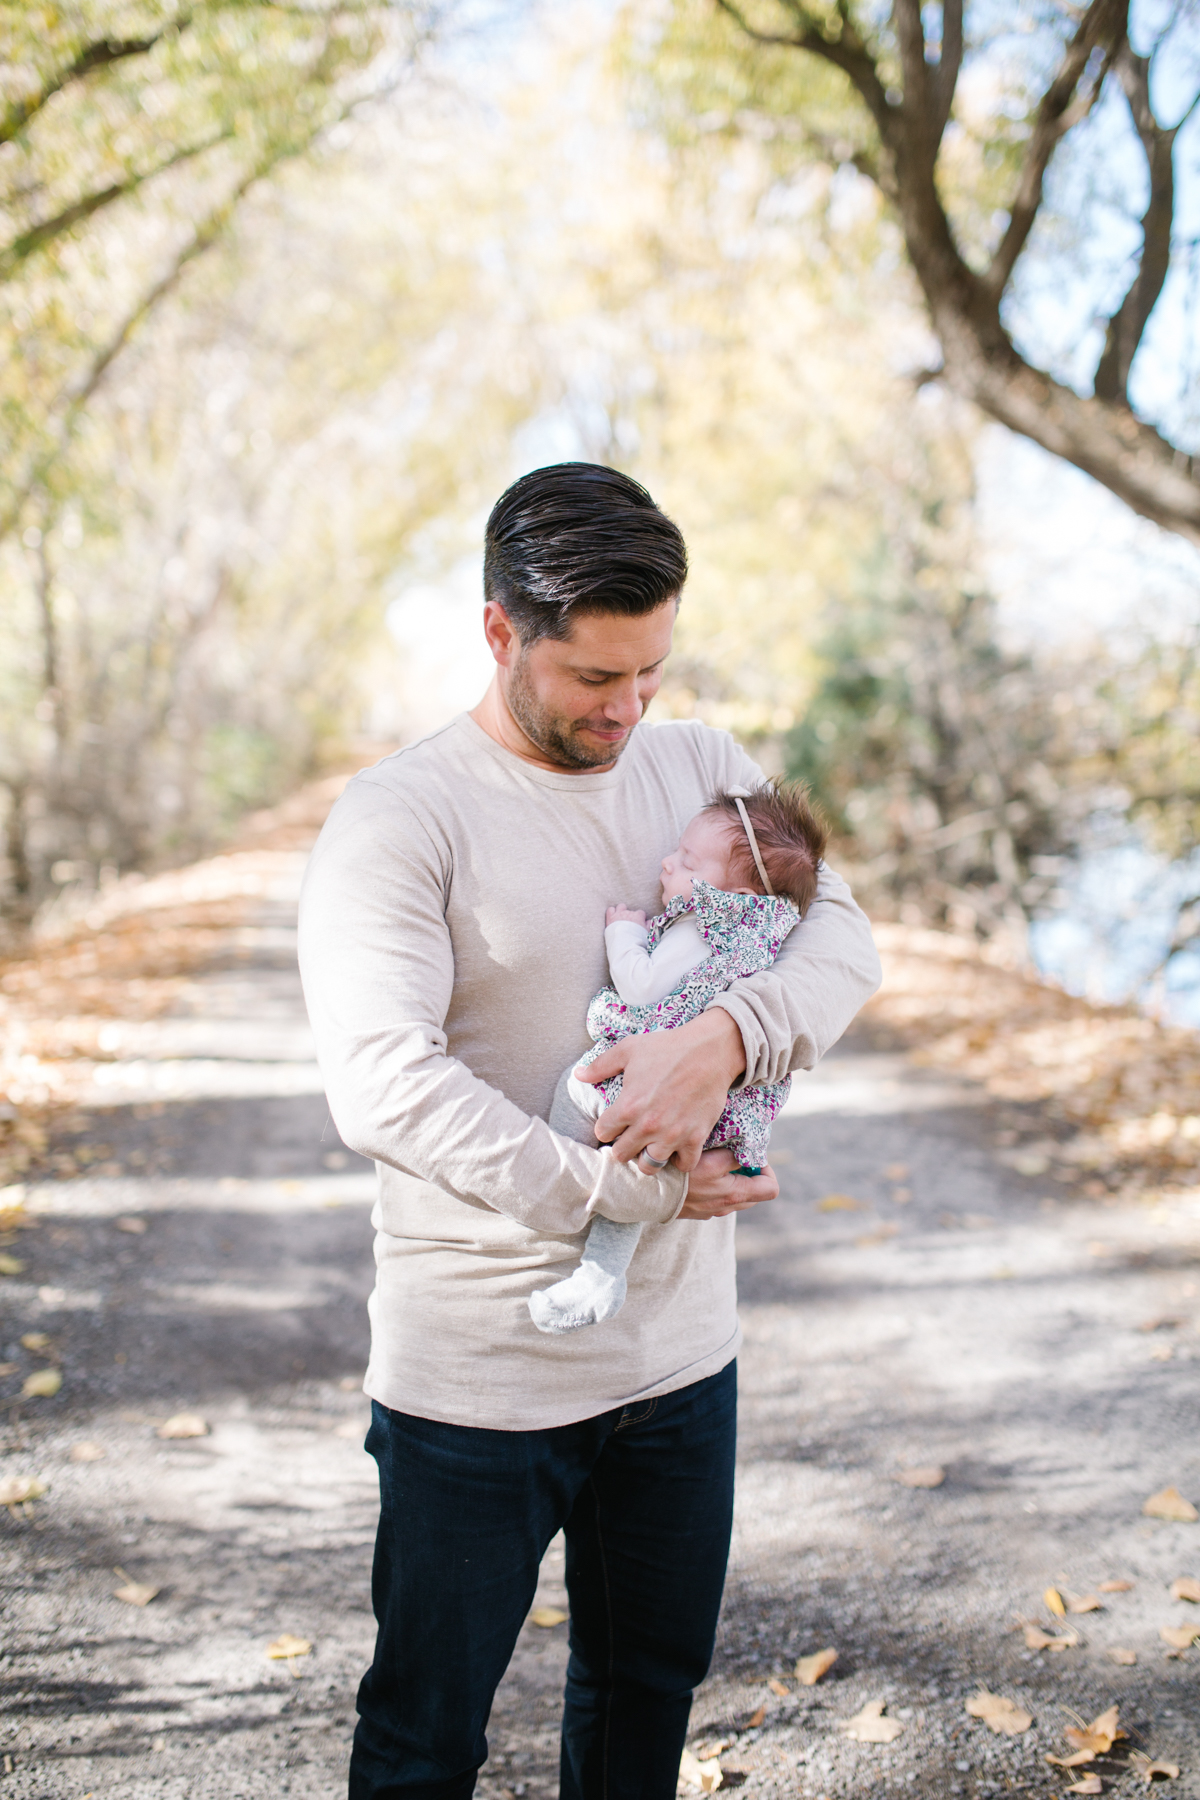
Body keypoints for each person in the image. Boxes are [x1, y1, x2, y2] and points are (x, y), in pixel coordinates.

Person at [297, 462, 882, 1800]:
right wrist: (620, 1194)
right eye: (594, 680)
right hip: (477, 1384)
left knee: (643, 1704)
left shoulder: (702, 766)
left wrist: (723, 1040)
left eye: (653, 673)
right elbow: (383, 1080)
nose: (630, 711)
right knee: (424, 1737)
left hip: (682, 1367)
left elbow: (845, 942)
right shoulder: (400, 819)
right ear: (501, 632)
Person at [529, 781, 829, 1333]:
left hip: (664, 1086)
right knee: (641, 1164)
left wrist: (623, 934)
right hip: (716, 1107)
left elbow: (643, 990)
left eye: (687, 861)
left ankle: (566, 1188)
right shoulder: (757, 932)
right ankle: (602, 1273)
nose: (668, 863)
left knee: (581, 1095)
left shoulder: (701, 927)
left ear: (734, 892)